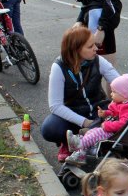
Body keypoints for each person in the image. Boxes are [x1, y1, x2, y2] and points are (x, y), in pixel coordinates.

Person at [40, 26, 120, 162]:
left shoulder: (98, 60)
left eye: (95, 44)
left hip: (98, 109)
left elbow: (119, 83)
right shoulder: (59, 67)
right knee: (49, 129)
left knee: (122, 118)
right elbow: (55, 106)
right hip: (72, 114)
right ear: (76, 50)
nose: (96, 48)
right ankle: (68, 142)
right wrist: (85, 122)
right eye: (90, 46)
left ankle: (85, 142)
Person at [66, 73, 128, 165]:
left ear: (124, 94)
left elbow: (123, 123)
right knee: (91, 132)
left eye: (114, 92)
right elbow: (116, 114)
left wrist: (107, 125)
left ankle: (79, 144)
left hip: (116, 133)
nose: (111, 94)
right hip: (111, 129)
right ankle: (81, 154)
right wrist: (105, 113)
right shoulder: (124, 102)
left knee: (97, 133)